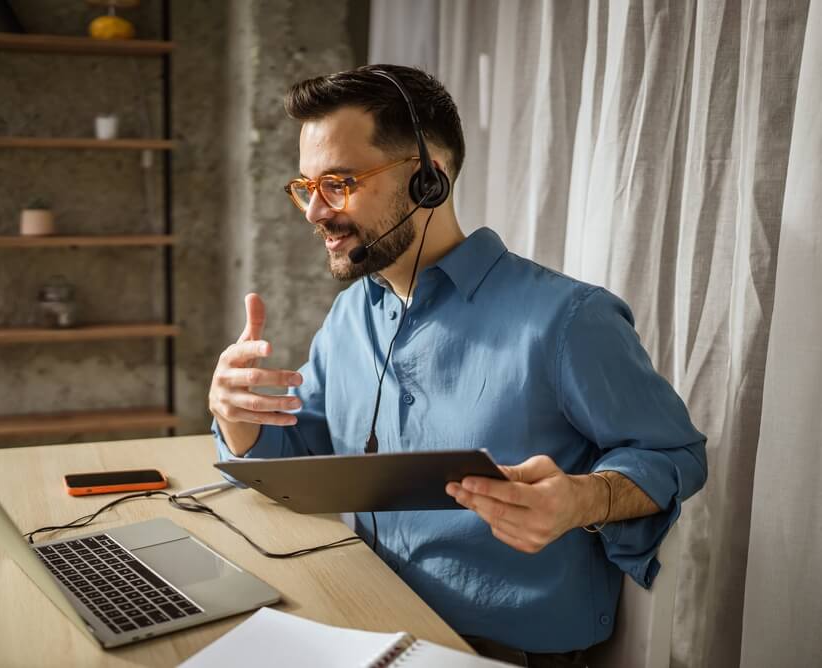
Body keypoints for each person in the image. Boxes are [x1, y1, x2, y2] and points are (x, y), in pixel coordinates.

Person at [207, 64, 707, 667]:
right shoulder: (347, 319)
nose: (315, 211)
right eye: (305, 186)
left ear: (427, 180)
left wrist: (583, 499)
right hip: (365, 619)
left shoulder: (569, 318)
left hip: (504, 650)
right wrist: (238, 418)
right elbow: (300, 462)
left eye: (338, 182)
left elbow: (674, 454)